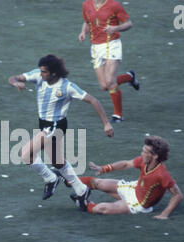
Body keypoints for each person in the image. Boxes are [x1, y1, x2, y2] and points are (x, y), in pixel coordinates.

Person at [8, 54, 114, 211]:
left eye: (44, 71)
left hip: (55, 126)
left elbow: (93, 100)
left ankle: (50, 178)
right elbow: (13, 77)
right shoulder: (38, 77)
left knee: (25, 154)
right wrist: (15, 82)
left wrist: (106, 123)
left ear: (53, 73)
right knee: (58, 162)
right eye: (40, 71)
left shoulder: (67, 87)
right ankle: (81, 190)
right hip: (44, 124)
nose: (41, 73)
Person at [70, 136, 183, 219]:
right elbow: (126, 164)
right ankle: (69, 180)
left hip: (138, 204)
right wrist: (104, 168)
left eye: (145, 152)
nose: (141, 153)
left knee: (101, 209)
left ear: (155, 156)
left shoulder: (162, 174)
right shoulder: (144, 161)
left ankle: (83, 203)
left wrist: (165, 214)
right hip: (134, 188)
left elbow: (178, 195)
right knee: (99, 183)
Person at [79, 0, 139, 123]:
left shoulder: (114, 5)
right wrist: (83, 32)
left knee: (110, 81)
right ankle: (129, 77)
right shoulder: (86, 4)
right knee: (104, 86)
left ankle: (118, 115)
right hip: (95, 47)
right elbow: (87, 21)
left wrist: (115, 28)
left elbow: (128, 24)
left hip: (112, 44)